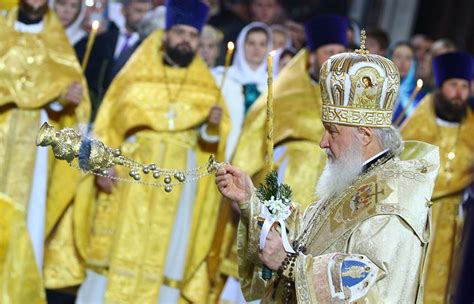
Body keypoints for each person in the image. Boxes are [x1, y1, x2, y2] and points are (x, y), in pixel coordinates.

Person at [216, 47, 440, 303]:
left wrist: (291, 265)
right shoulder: (361, 177)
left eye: (332, 132)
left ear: (365, 136)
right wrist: (251, 201)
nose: (322, 142)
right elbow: (308, 234)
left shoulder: (393, 199)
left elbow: (368, 281)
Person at [63, 0, 230, 303]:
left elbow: (214, 145)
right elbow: (108, 120)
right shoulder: (135, 72)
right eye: (180, 32)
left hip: (177, 185)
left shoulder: (207, 85)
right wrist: (101, 165)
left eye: (193, 36)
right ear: (166, 34)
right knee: (118, 248)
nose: (185, 40)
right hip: (130, 175)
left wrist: (213, 127)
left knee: (166, 254)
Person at [0, 0, 90, 301]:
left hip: (34, 140)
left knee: (28, 214)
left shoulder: (57, 40)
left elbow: (65, 94)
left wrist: (64, 97)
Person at [401, 51, 474, 303]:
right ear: (441, 87)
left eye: (465, 86)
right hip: (420, 218)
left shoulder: (472, 130)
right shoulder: (416, 127)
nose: (459, 93)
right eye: (453, 85)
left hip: (460, 224)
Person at [76, 0, 152, 123]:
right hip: (92, 112)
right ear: (123, 10)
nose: (143, 17)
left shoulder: (150, 49)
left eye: (147, 13)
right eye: (138, 11)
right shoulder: (101, 39)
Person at [213, 21, 272, 161]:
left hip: (258, 157)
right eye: (251, 43)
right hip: (225, 152)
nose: (256, 49)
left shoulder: (275, 83)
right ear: (242, 44)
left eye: (262, 44)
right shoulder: (222, 78)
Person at [391, 41, 428, 126]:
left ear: (414, 63)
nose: (403, 62)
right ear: (390, 59)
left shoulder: (419, 98)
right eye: (398, 57)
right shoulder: (379, 89)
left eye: (408, 58)